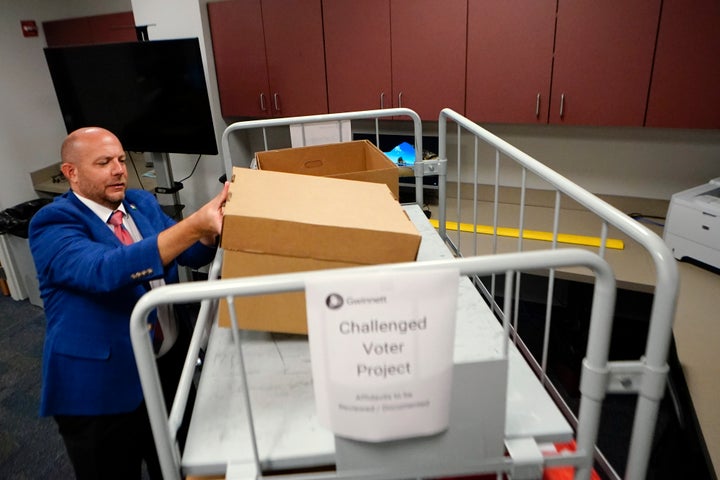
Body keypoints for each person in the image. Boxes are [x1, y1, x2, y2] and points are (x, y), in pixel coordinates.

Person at [28, 127, 229, 480]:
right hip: (100, 388)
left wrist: (213, 230)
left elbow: (189, 250)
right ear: (71, 173)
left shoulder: (141, 203)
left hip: (166, 366)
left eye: (121, 160)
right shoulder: (53, 223)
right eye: (104, 162)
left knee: (183, 462)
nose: (119, 169)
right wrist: (194, 226)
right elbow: (103, 271)